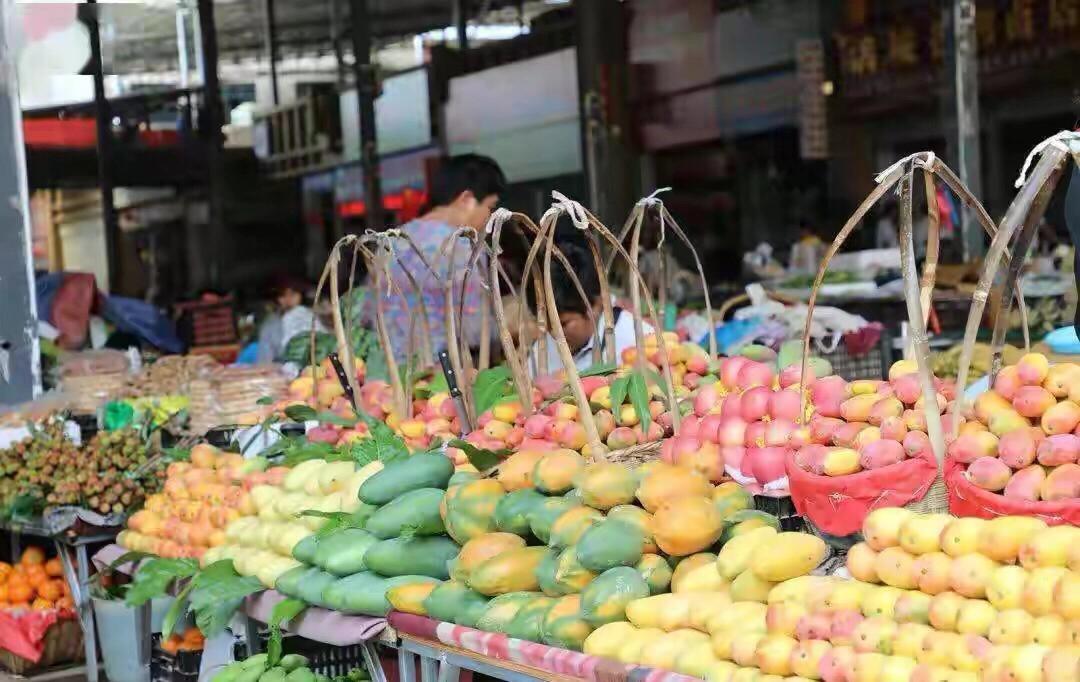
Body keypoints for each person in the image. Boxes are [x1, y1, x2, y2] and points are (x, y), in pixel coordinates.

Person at [369, 154, 507, 364]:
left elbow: (370, 312)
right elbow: (475, 329)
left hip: (389, 374)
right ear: (467, 200)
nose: (490, 218)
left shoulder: (390, 241)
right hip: (441, 376)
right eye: (490, 207)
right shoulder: (462, 245)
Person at [528, 240, 653, 373]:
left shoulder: (636, 341)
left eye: (564, 323)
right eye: (546, 325)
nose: (553, 333)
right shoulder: (544, 347)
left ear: (596, 305)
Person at [268, 274, 323, 359]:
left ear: (301, 295)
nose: (288, 299)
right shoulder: (271, 324)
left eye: (292, 294)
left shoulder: (309, 315)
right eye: (283, 295)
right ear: (277, 299)